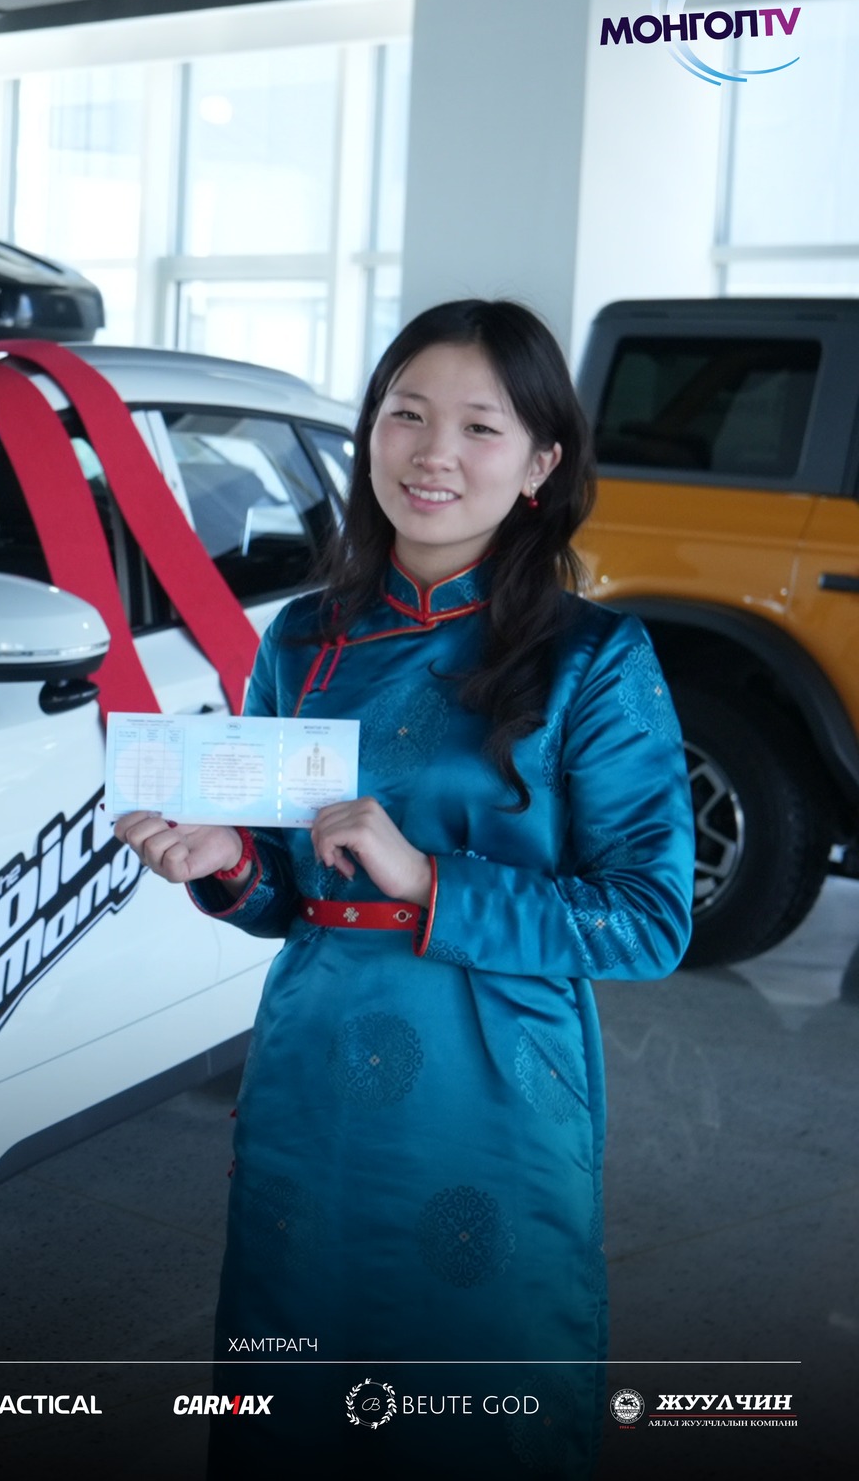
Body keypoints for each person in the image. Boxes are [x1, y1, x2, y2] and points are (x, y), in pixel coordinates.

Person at [114, 299, 693, 1477]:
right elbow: (289, 895)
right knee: (295, 1379)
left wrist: (428, 878)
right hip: (312, 1066)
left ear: (538, 464)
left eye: (479, 427)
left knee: (478, 1390)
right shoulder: (301, 639)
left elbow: (647, 920)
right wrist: (226, 865)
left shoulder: (592, 659)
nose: (432, 453)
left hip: (492, 1071)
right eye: (405, 415)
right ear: (368, 432)